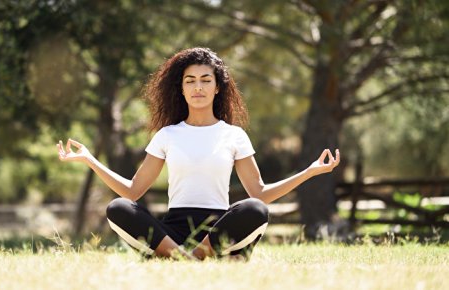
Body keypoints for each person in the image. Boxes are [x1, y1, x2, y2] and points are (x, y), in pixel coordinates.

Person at [56, 47, 340, 260]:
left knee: (256, 210)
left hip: (219, 230)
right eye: (190, 81)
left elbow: (259, 193)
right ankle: (184, 256)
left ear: (218, 88)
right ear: (181, 88)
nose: (198, 87)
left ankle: (192, 256)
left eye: (206, 80)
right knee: (118, 207)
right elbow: (132, 191)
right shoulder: (167, 135)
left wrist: (310, 172)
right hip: (173, 231)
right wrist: (90, 160)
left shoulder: (234, 135)